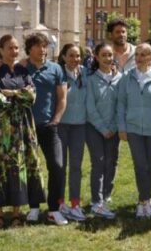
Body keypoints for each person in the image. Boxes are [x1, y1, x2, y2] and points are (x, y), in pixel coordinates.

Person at [0, 35, 46, 228]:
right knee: (0, 168)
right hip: (1, 129)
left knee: (21, 166)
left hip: (23, 126)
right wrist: (19, 95)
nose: (14, 51)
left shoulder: (22, 70)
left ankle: (17, 214)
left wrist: (10, 94)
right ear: (1, 50)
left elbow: (32, 95)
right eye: (10, 48)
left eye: (16, 48)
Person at [117, 43, 151, 219]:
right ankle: (143, 201)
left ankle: (147, 200)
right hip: (133, 129)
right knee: (140, 165)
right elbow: (121, 104)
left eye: (144, 54)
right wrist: (122, 127)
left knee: (149, 165)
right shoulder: (126, 77)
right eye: (137, 54)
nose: (139, 58)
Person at [24, 33, 69, 225]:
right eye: (38, 46)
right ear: (30, 49)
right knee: (31, 168)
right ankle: (34, 207)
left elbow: (62, 97)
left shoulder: (56, 68)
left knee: (57, 167)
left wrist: (56, 119)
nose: (43, 50)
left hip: (49, 126)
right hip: (27, 127)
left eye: (45, 46)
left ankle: (54, 209)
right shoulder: (21, 68)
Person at [85, 43, 121, 220]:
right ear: (96, 57)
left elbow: (121, 105)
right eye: (104, 55)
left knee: (112, 162)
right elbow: (90, 108)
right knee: (98, 163)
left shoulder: (120, 79)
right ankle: (96, 200)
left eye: (110, 55)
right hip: (95, 128)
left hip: (113, 129)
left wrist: (113, 127)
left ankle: (106, 194)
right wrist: (103, 128)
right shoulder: (91, 80)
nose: (108, 59)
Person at [56, 43, 88, 222]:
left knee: (76, 166)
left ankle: (75, 204)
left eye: (77, 56)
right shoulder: (58, 73)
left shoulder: (85, 73)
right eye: (71, 56)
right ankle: (59, 202)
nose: (75, 59)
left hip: (79, 126)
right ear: (63, 57)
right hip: (61, 126)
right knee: (61, 166)